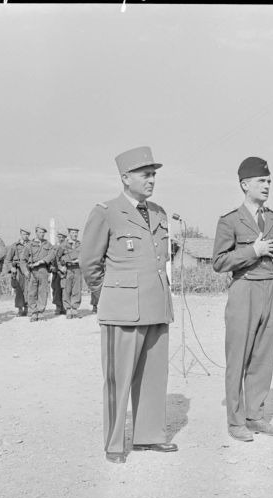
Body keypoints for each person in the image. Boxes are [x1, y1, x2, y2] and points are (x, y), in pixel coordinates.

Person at [80, 145, 177, 464]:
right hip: (122, 307)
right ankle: (114, 443)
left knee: (153, 375)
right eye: (145, 174)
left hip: (156, 305)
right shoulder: (106, 211)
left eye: (154, 175)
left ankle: (148, 436)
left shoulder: (160, 213)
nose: (151, 180)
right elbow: (90, 263)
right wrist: (106, 295)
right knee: (118, 378)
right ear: (125, 178)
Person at [212, 156, 273, 443]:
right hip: (244, 291)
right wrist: (252, 251)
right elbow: (218, 262)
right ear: (245, 185)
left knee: (263, 358)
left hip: (270, 291)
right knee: (238, 357)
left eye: (269, 181)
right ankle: (235, 420)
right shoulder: (230, 221)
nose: (267, 185)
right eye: (261, 181)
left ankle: (255, 415)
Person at [21, 225, 56, 322]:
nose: (42, 234)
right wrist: (25, 271)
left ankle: (40, 312)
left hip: (43, 269)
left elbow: (52, 254)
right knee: (32, 292)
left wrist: (42, 261)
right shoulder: (29, 245)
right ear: (36, 232)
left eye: (43, 232)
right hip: (32, 270)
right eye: (40, 232)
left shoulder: (47, 244)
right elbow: (23, 260)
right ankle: (33, 312)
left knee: (43, 291)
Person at [6, 227, 31, 317]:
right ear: (20, 234)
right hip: (18, 270)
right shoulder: (14, 246)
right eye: (24, 234)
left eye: (28, 234)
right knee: (19, 289)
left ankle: (27, 308)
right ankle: (20, 309)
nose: (26, 236)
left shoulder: (31, 245)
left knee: (28, 289)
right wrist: (11, 268)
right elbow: (8, 259)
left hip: (28, 269)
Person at [60, 227, 83, 319]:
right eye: (73, 233)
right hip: (67, 269)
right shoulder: (63, 245)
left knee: (77, 289)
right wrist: (61, 267)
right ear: (69, 233)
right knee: (67, 289)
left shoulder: (80, 245)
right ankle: (68, 309)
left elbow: (84, 255)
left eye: (76, 233)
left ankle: (75, 309)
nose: (75, 234)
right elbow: (57, 258)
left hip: (77, 268)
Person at [51, 231, 67, 315]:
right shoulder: (54, 247)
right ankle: (58, 307)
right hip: (56, 271)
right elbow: (50, 257)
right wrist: (51, 267)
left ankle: (64, 307)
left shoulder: (67, 246)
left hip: (64, 270)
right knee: (56, 289)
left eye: (63, 237)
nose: (61, 238)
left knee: (64, 289)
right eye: (59, 237)